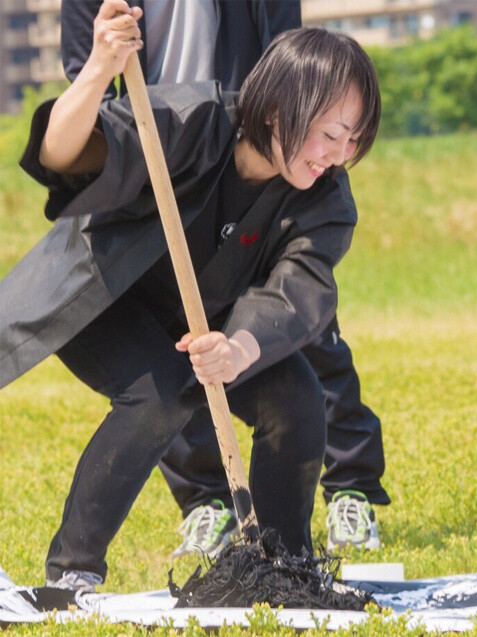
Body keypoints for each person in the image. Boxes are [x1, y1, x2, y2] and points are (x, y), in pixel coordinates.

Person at [0, 0, 380, 590]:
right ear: (277, 110)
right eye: (330, 134)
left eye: (352, 140)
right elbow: (61, 154)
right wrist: (99, 68)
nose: (338, 154)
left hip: (216, 327)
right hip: (109, 300)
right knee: (162, 395)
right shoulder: (191, 119)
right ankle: (73, 572)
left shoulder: (325, 196)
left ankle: (280, 569)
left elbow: (299, 288)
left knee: (298, 398)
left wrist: (238, 349)